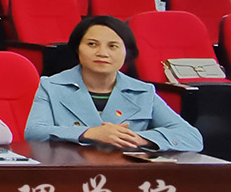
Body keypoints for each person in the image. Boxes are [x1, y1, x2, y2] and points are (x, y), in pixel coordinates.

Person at [24, 16, 203, 151]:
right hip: (69, 173)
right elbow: (34, 132)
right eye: (92, 44)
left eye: (113, 46)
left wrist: (137, 138)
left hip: (125, 175)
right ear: (77, 48)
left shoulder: (143, 92)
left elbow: (192, 138)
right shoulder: (51, 86)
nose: (102, 53)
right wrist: (90, 133)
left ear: (127, 52)